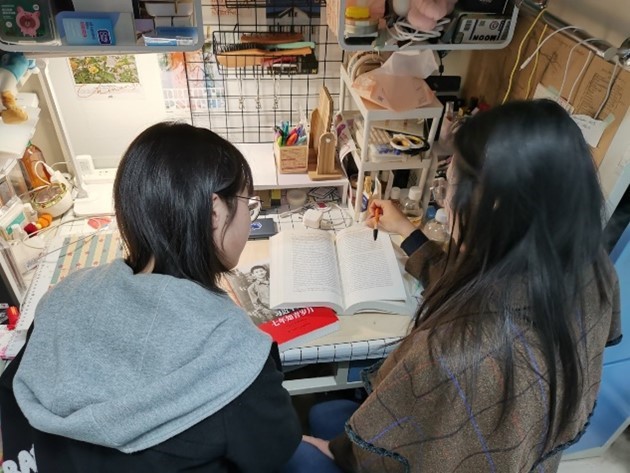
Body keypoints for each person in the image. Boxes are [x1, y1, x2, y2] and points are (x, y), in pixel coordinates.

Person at [282, 99, 621, 472]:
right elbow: (475, 292)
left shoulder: (454, 352)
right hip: (526, 457)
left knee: (298, 451)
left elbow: (377, 455)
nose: (444, 205)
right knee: (328, 414)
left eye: (449, 187)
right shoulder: (596, 272)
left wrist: (333, 449)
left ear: (494, 205)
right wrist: (406, 231)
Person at [3, 122, 301, 472]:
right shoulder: (233, 351)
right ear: (215, 213)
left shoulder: (63, 297)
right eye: (248, 203)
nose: (250, 217)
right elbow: (277, 447)